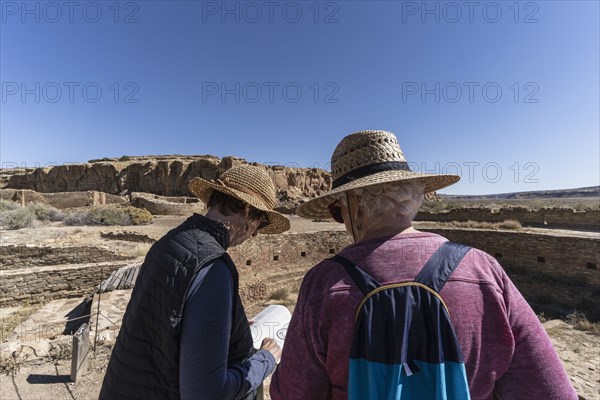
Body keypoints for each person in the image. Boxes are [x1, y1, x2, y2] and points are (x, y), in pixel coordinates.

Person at [270, 130, 577, 400]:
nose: (342, 222)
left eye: (338, 212)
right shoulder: (483, 270)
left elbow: (293, 393)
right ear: (411, 197)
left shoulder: (324, 284)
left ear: (355, 205)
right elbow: (549, 390)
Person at [100, 164, 290, 400]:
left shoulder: (170, 241)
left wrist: (228, 326)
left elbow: (168, 322)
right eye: (259, 224)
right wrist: (266, 359)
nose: (255, 234)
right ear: (247, 210)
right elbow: (206, 393)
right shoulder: (213, 266)